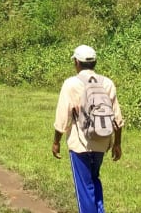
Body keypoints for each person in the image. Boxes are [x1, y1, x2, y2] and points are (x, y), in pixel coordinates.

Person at [52, 45, 124, 213]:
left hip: (80, 145)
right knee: (94, 180)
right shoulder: (107, 83)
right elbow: (117, 119)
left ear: (76, 62)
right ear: (95, 62)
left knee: (84, 187)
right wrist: (117, 144)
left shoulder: (71, 84)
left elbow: (63, 117)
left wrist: (56, 141)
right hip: (102, 141)